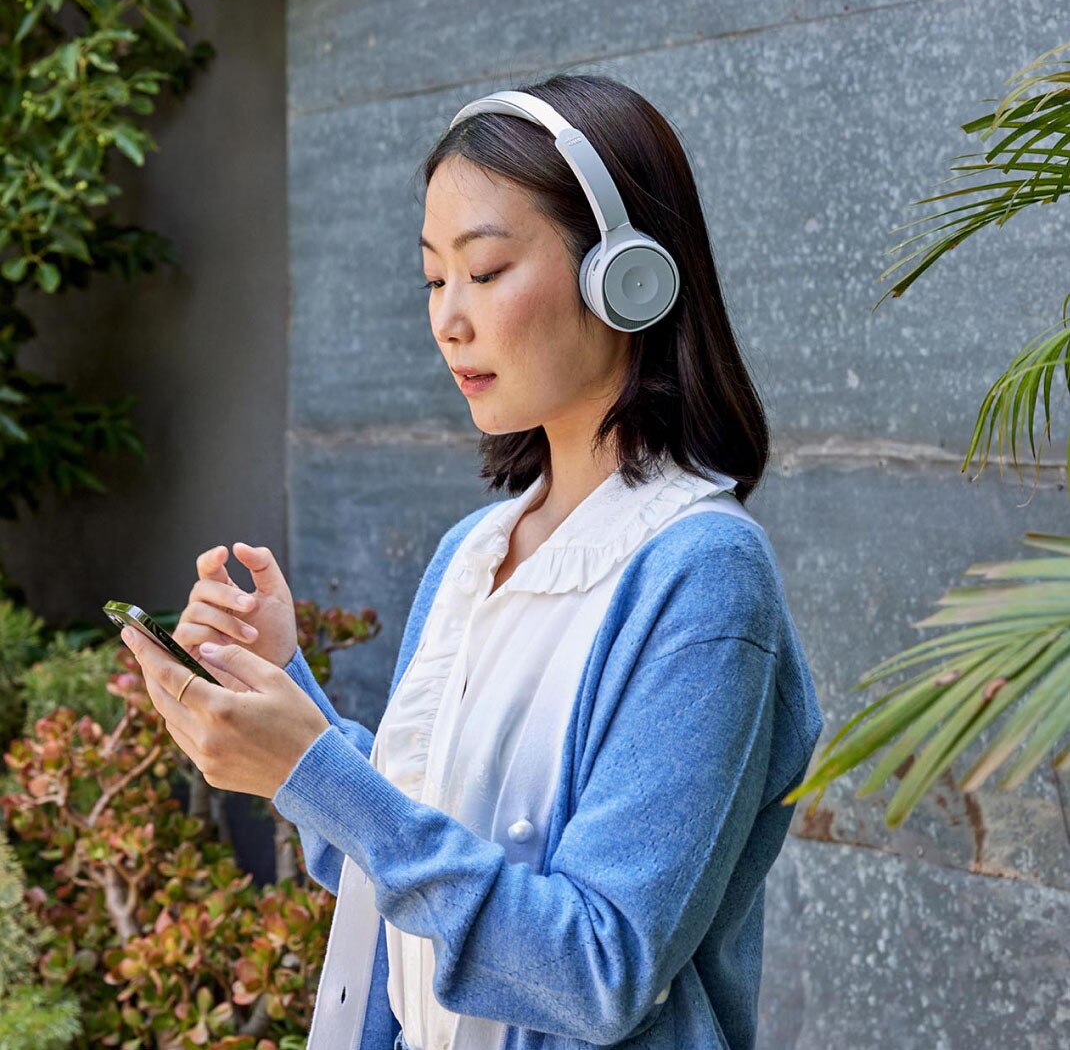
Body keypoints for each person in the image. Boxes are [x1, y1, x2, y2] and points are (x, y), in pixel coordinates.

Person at [122, 73, 825, 1050]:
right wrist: (283, 697)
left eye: (486, 270)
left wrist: (312, 767)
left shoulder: (700, 575)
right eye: (431, 277)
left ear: (624, 275)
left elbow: (594, 971)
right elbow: (406, 857)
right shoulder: (472, 552)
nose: (447, 317)